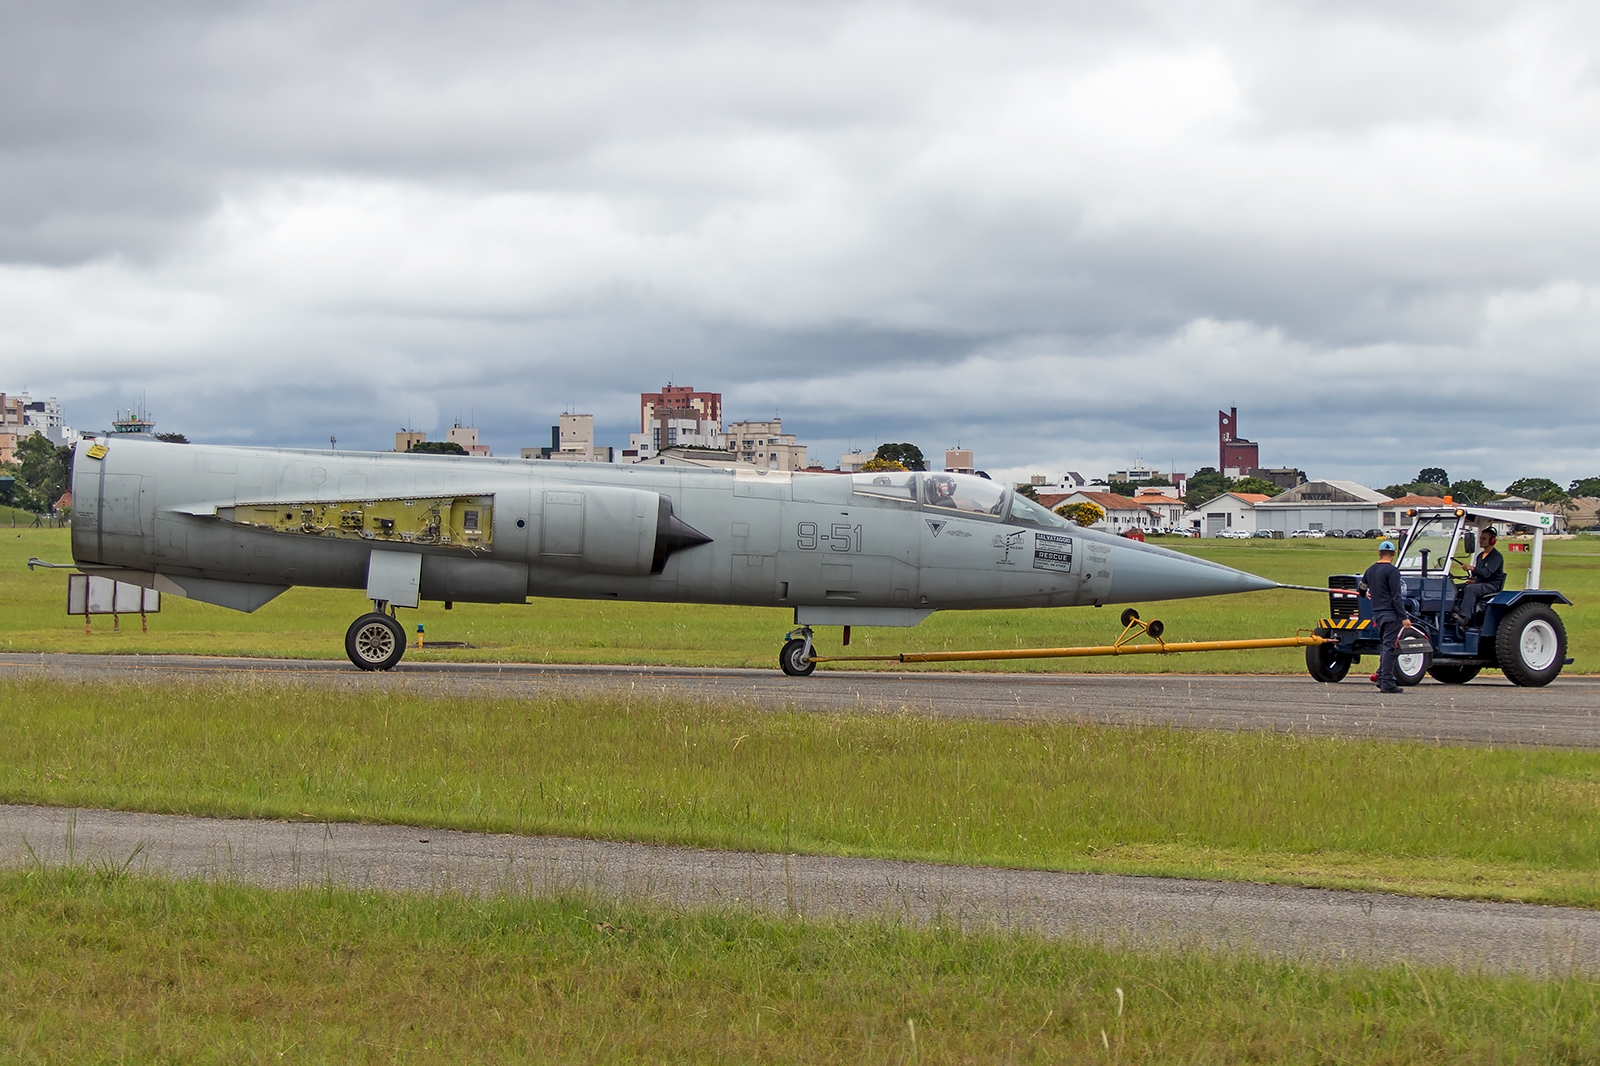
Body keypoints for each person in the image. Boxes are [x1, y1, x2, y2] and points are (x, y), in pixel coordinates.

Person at [1362, 539, 1414, 694]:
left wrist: (1367, 594)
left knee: (1385, 645)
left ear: (1379, 553)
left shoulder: (1370, 570)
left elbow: (1361, 589)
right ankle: (1387, 682)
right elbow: (1396, 597)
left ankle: (1380, 677)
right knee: (1389, 647)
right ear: (1393, 554)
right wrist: (1404, 617)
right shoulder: (1392, 572)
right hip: (1391, 615)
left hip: (1377, 614)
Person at [1452, 527, 1505, 624]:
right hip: (1481, 583)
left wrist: (1471, 568)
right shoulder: (1480, 556)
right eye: (1480, 538)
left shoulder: (1496, 557)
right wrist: (1474, 580)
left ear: (1492, 540)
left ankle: (1465, 618)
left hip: (1492, 585)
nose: (1481, 541)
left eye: (1484, 539)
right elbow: (1479, 574)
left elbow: (1487, 573)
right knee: (1454, 587)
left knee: (1471, 589)